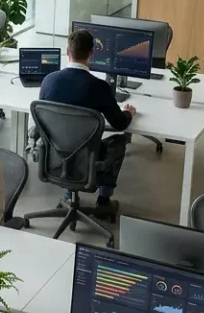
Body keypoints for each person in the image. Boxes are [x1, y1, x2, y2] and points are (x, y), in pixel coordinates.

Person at [38, 28, 136, 214]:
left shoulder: (49, 81)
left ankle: (69, 194)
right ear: (91, 53)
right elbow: (120, 124)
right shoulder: (99, 87)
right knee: (119, 142)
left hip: (56, 157)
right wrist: (128, 113)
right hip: (88, 159)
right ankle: (104, 201)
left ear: (67, 51)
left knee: (67, 137)